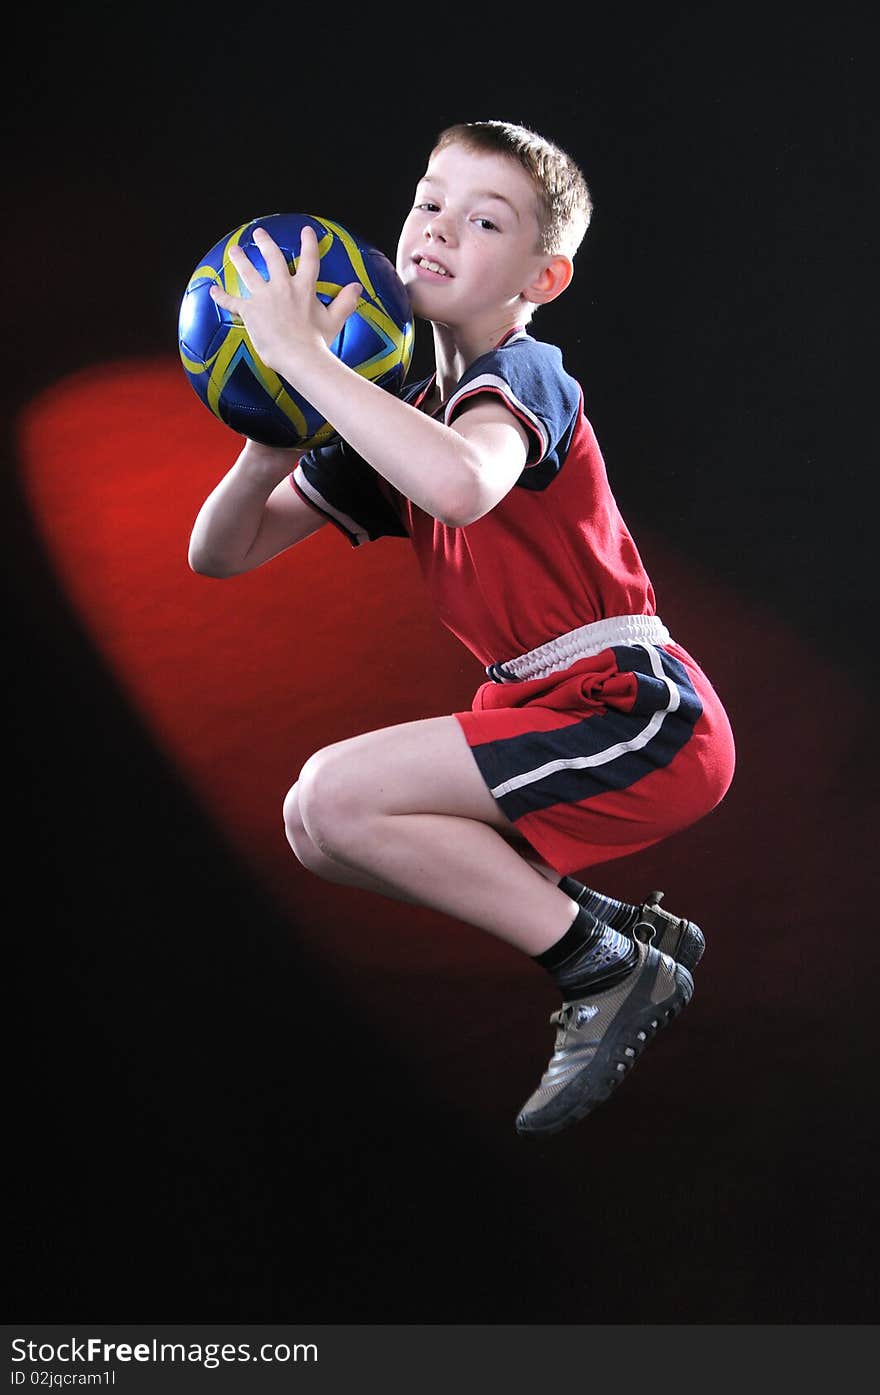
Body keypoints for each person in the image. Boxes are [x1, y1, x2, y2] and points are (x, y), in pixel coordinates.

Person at [188, 120, 736, 1136]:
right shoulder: (393, 405)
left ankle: (608, 969)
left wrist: (306, 359)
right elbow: (220, 553)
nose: (438, 229)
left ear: (542, 278)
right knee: (320, 825)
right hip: (546, 704)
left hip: (635, 709)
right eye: (428, 202)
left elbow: (458, 483)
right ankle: (610, 934)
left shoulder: (523, 377)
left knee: (338, 793)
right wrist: (271, 426)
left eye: (484, 220)